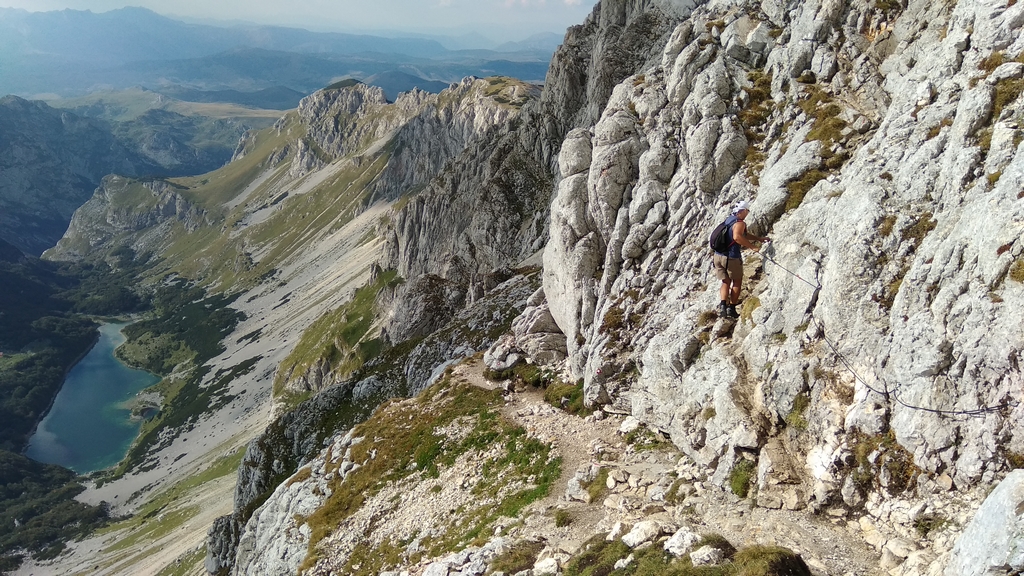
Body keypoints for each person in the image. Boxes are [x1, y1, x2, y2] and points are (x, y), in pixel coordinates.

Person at [713, 200, 769, 319]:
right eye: (747, 211)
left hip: (718, 256)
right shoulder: (740, 223)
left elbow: (744, 235)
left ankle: (723, 307)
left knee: (725, 281)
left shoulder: (729, 219)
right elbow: (737, 237)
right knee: (737, 281)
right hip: (731, 257)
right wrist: (752, 247)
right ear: (742, 211)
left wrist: (758, 239)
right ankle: (731, 308)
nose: (747, 213)